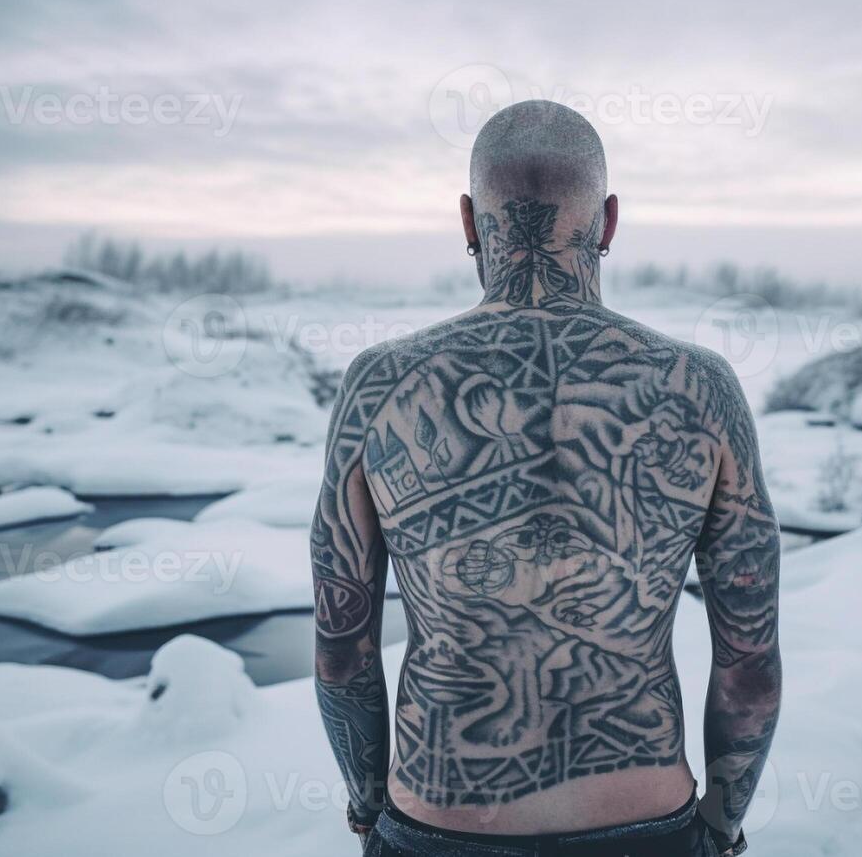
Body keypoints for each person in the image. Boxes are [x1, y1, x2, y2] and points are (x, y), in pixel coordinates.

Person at [312, 100, 782, 857]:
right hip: (647, 822)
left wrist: (370, 815)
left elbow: (343, 649)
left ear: (467, 221)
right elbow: (749, 666)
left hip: (439, 825)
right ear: (609, 221)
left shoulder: (381, 387)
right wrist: (722, 827)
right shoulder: (701, 388)